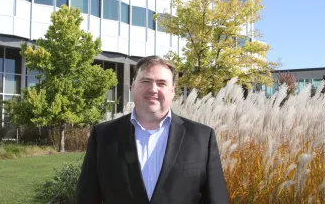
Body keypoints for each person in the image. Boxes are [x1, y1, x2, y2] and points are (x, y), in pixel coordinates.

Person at [76, 56, 229, 204]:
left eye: (161, 83)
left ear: (173, 91)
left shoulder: (202, 137)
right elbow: (87, 197)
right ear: (133, 86)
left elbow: (216, 199)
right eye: (146, 81)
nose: (153, 89)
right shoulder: (103, 136)